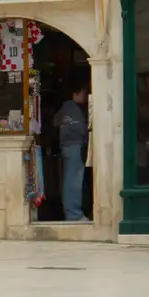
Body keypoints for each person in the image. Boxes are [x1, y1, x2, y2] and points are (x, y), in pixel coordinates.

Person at [53, 88, 90, 222]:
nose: (86, 97)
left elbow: (56, 122)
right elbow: (80, 128)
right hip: (74, 146)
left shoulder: (66, 108)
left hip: (69, 146)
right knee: (74, 180)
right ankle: (74, 214)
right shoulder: (72, 108)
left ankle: (73, 212)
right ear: (75, 94)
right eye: (83, 93)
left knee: (72, 179)